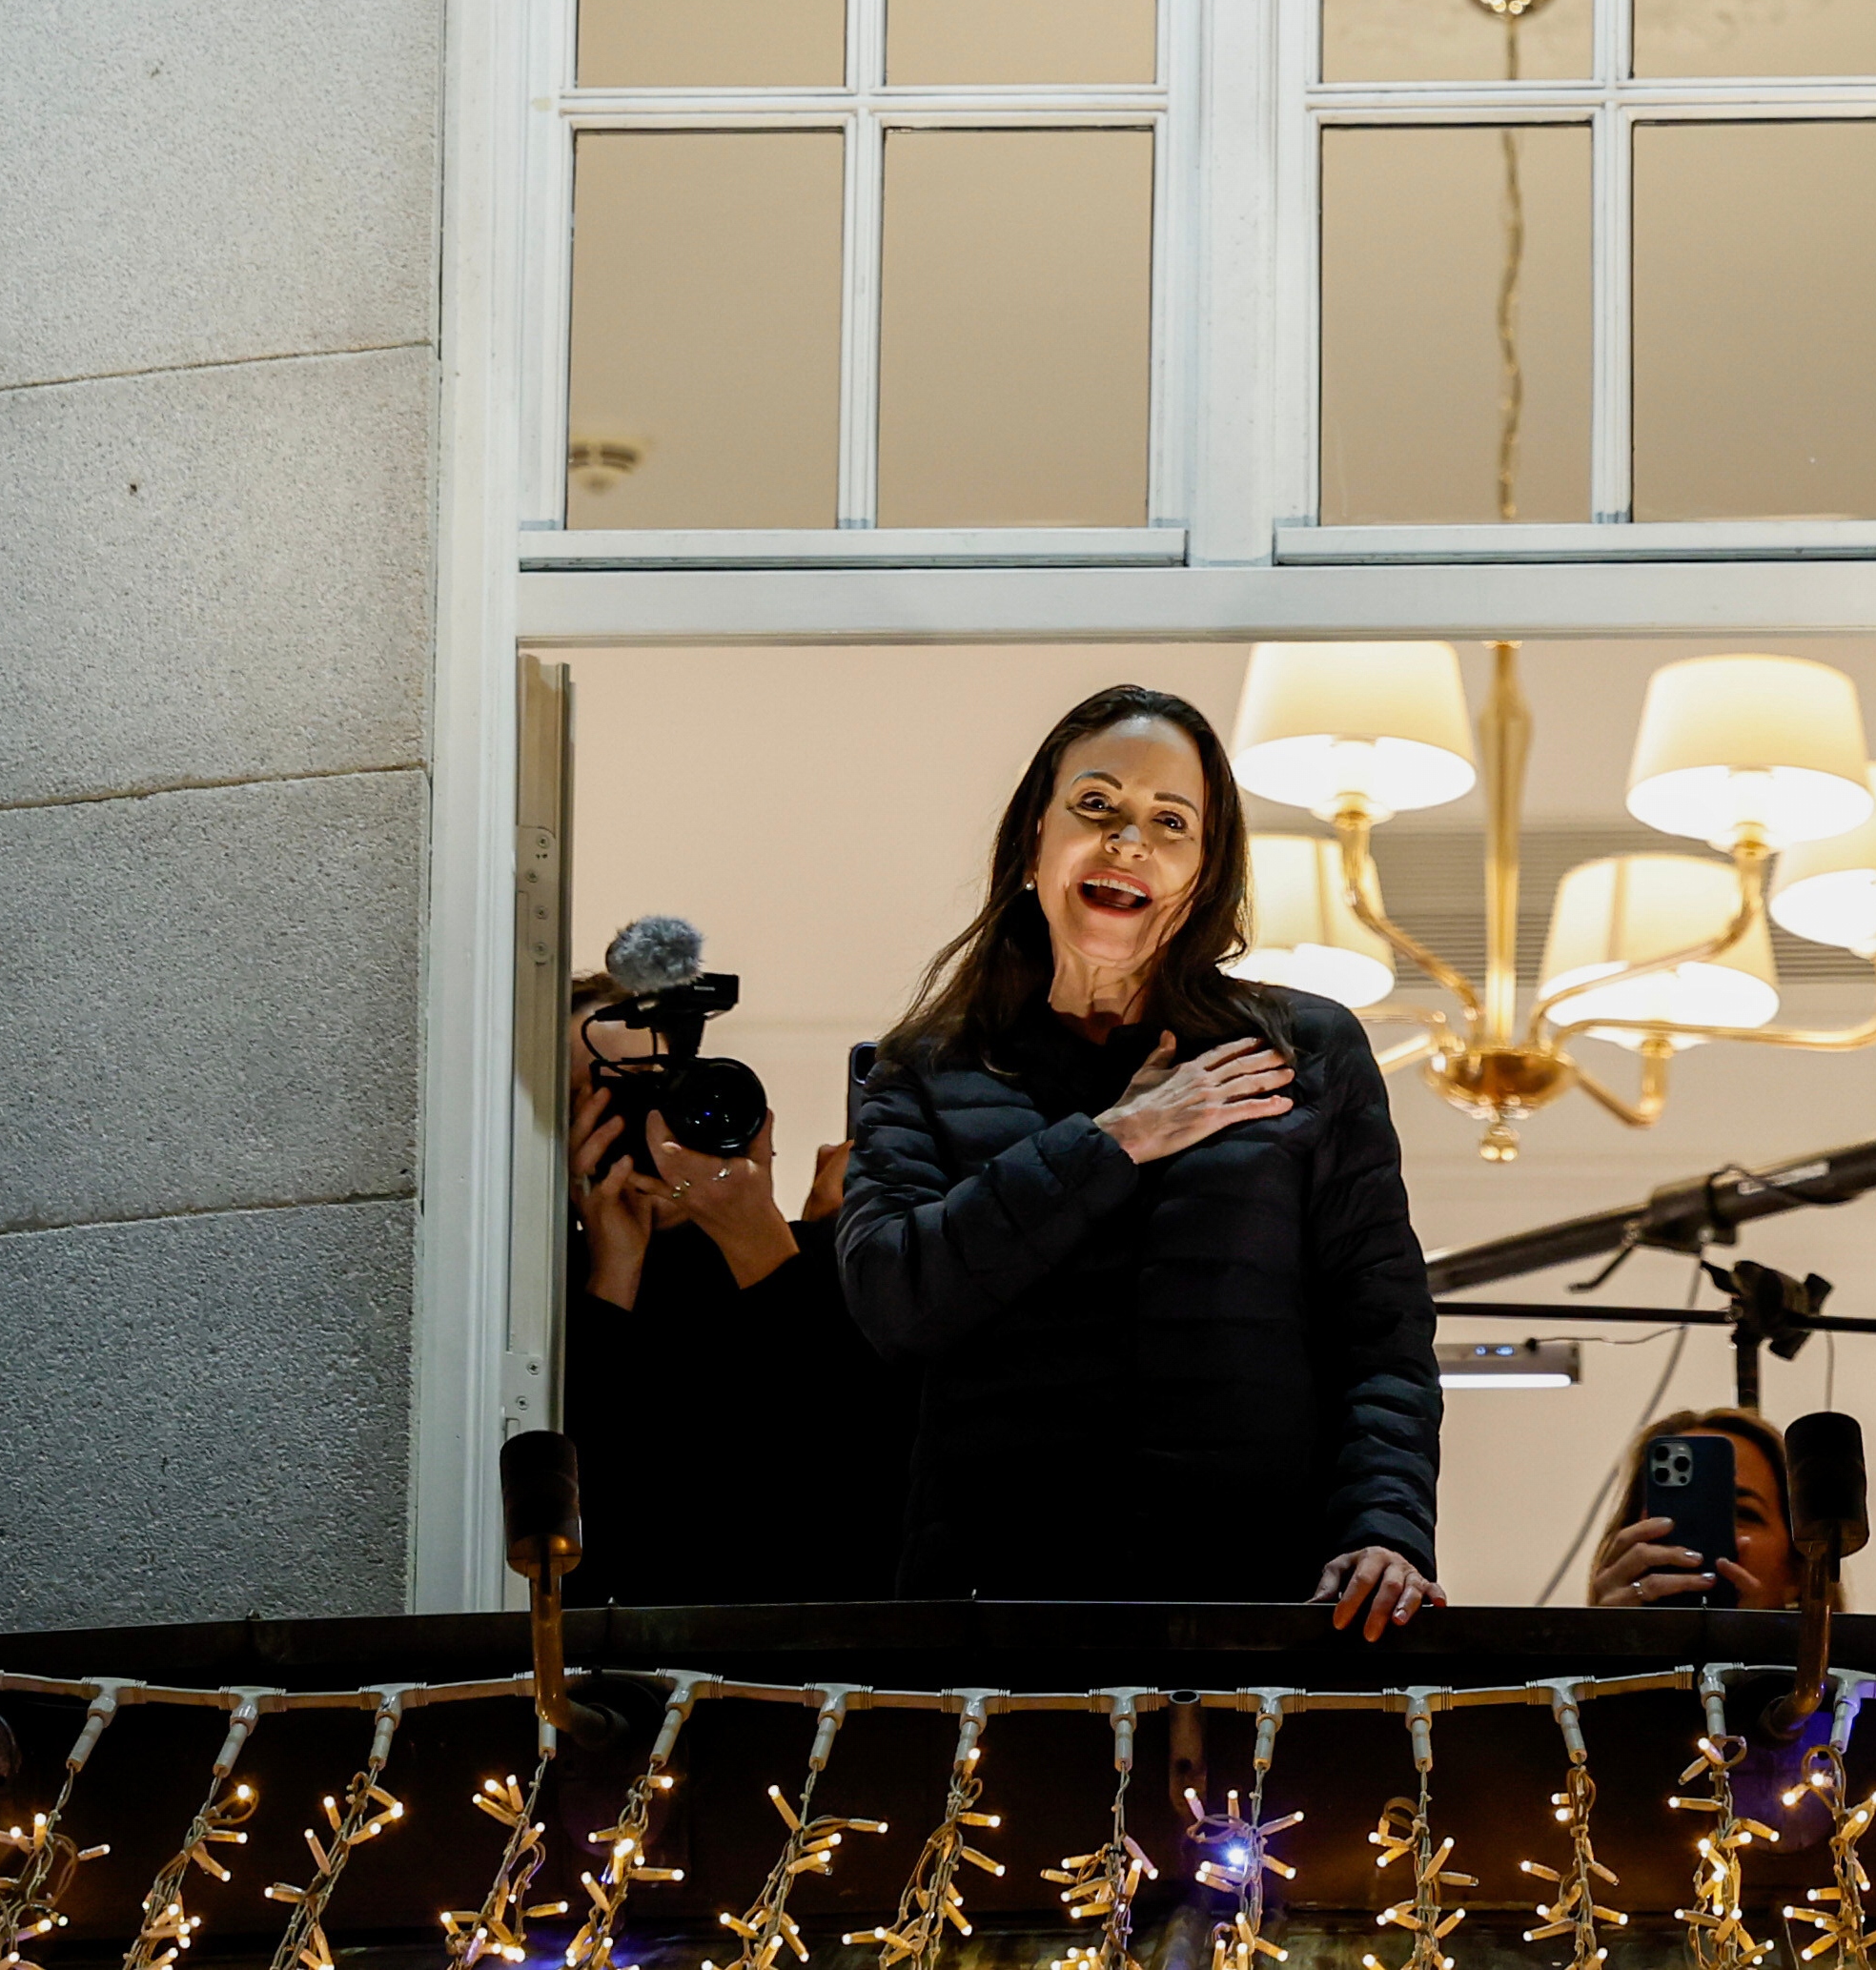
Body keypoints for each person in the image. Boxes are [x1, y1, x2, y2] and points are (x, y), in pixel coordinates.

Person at [835, 682, 1443, 1631]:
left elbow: (1382, 1333)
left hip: (1261, 1602)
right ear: (1035, 832)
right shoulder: (916, 1067)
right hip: (994, 1610)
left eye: (1170, 821)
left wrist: (1386, 1528)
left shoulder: (1306, 1048)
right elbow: (893, 1300)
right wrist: (1116, 1137)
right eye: (1096, 804)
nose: (1127, 841)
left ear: (1201, 872)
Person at [561, 977, 916, 1604]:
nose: (641, 1115)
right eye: (608, 1093)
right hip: (626, 1667)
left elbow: (866, 1471)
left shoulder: (807, 1261)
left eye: (655, 1081)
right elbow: (583, 1510)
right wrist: (611, 1268)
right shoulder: (541, 1298)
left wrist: (763, 1236)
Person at [1585, 1404, 1806, 1608]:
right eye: (1675, 1513)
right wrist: (1611, 1636)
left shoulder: (1833, 1650)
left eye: (1743, 1513)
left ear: (1797, 1570)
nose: (1708, 1531)